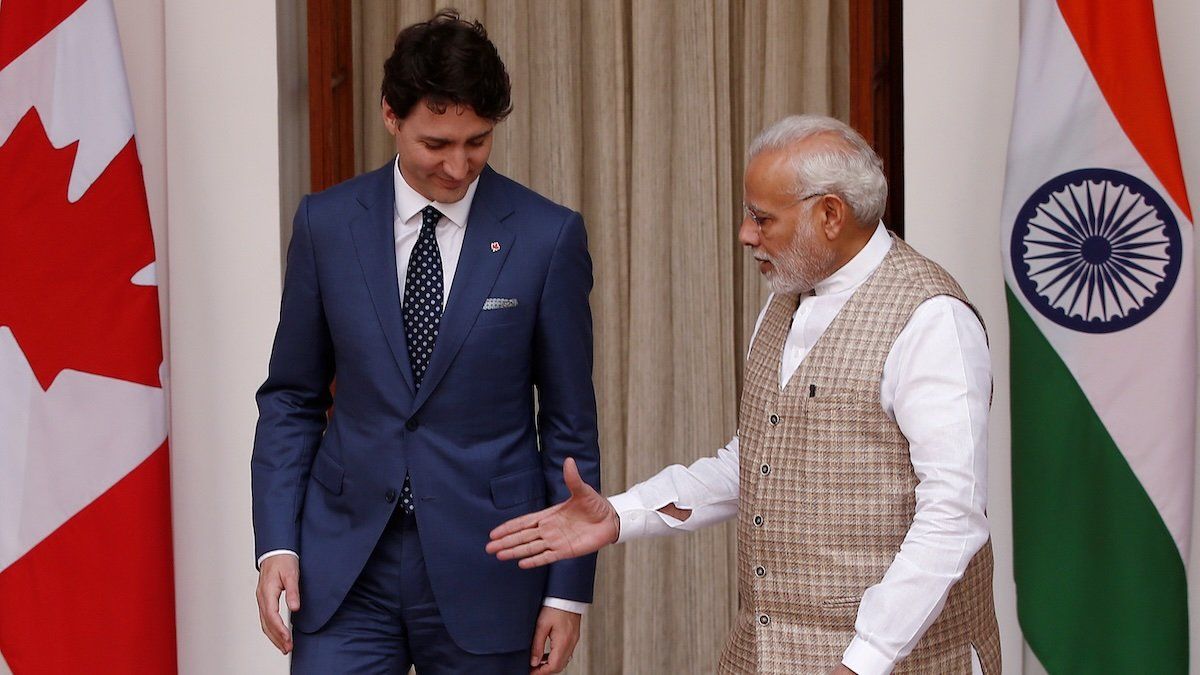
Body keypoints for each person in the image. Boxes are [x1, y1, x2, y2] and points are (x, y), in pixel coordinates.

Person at [488, 115, 1001, 674]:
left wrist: (865, 659)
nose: (745, 235)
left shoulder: (931, 319)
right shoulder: (784, 300)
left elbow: (953, 514)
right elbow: (758, 462)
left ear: (829, 214)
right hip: (761, 654)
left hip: (901, 662)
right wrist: (620, 515)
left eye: (762, 218)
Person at [252, 10, 600, 673]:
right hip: (345, 567)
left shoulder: (546, 237)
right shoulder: (325, 225)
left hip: (491, 564)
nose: (458, 164)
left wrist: (567, 589)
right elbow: (291, 400)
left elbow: (568, 424)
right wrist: (276, 546)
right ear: (391, 115)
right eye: (437, 143)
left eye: (477, 141)